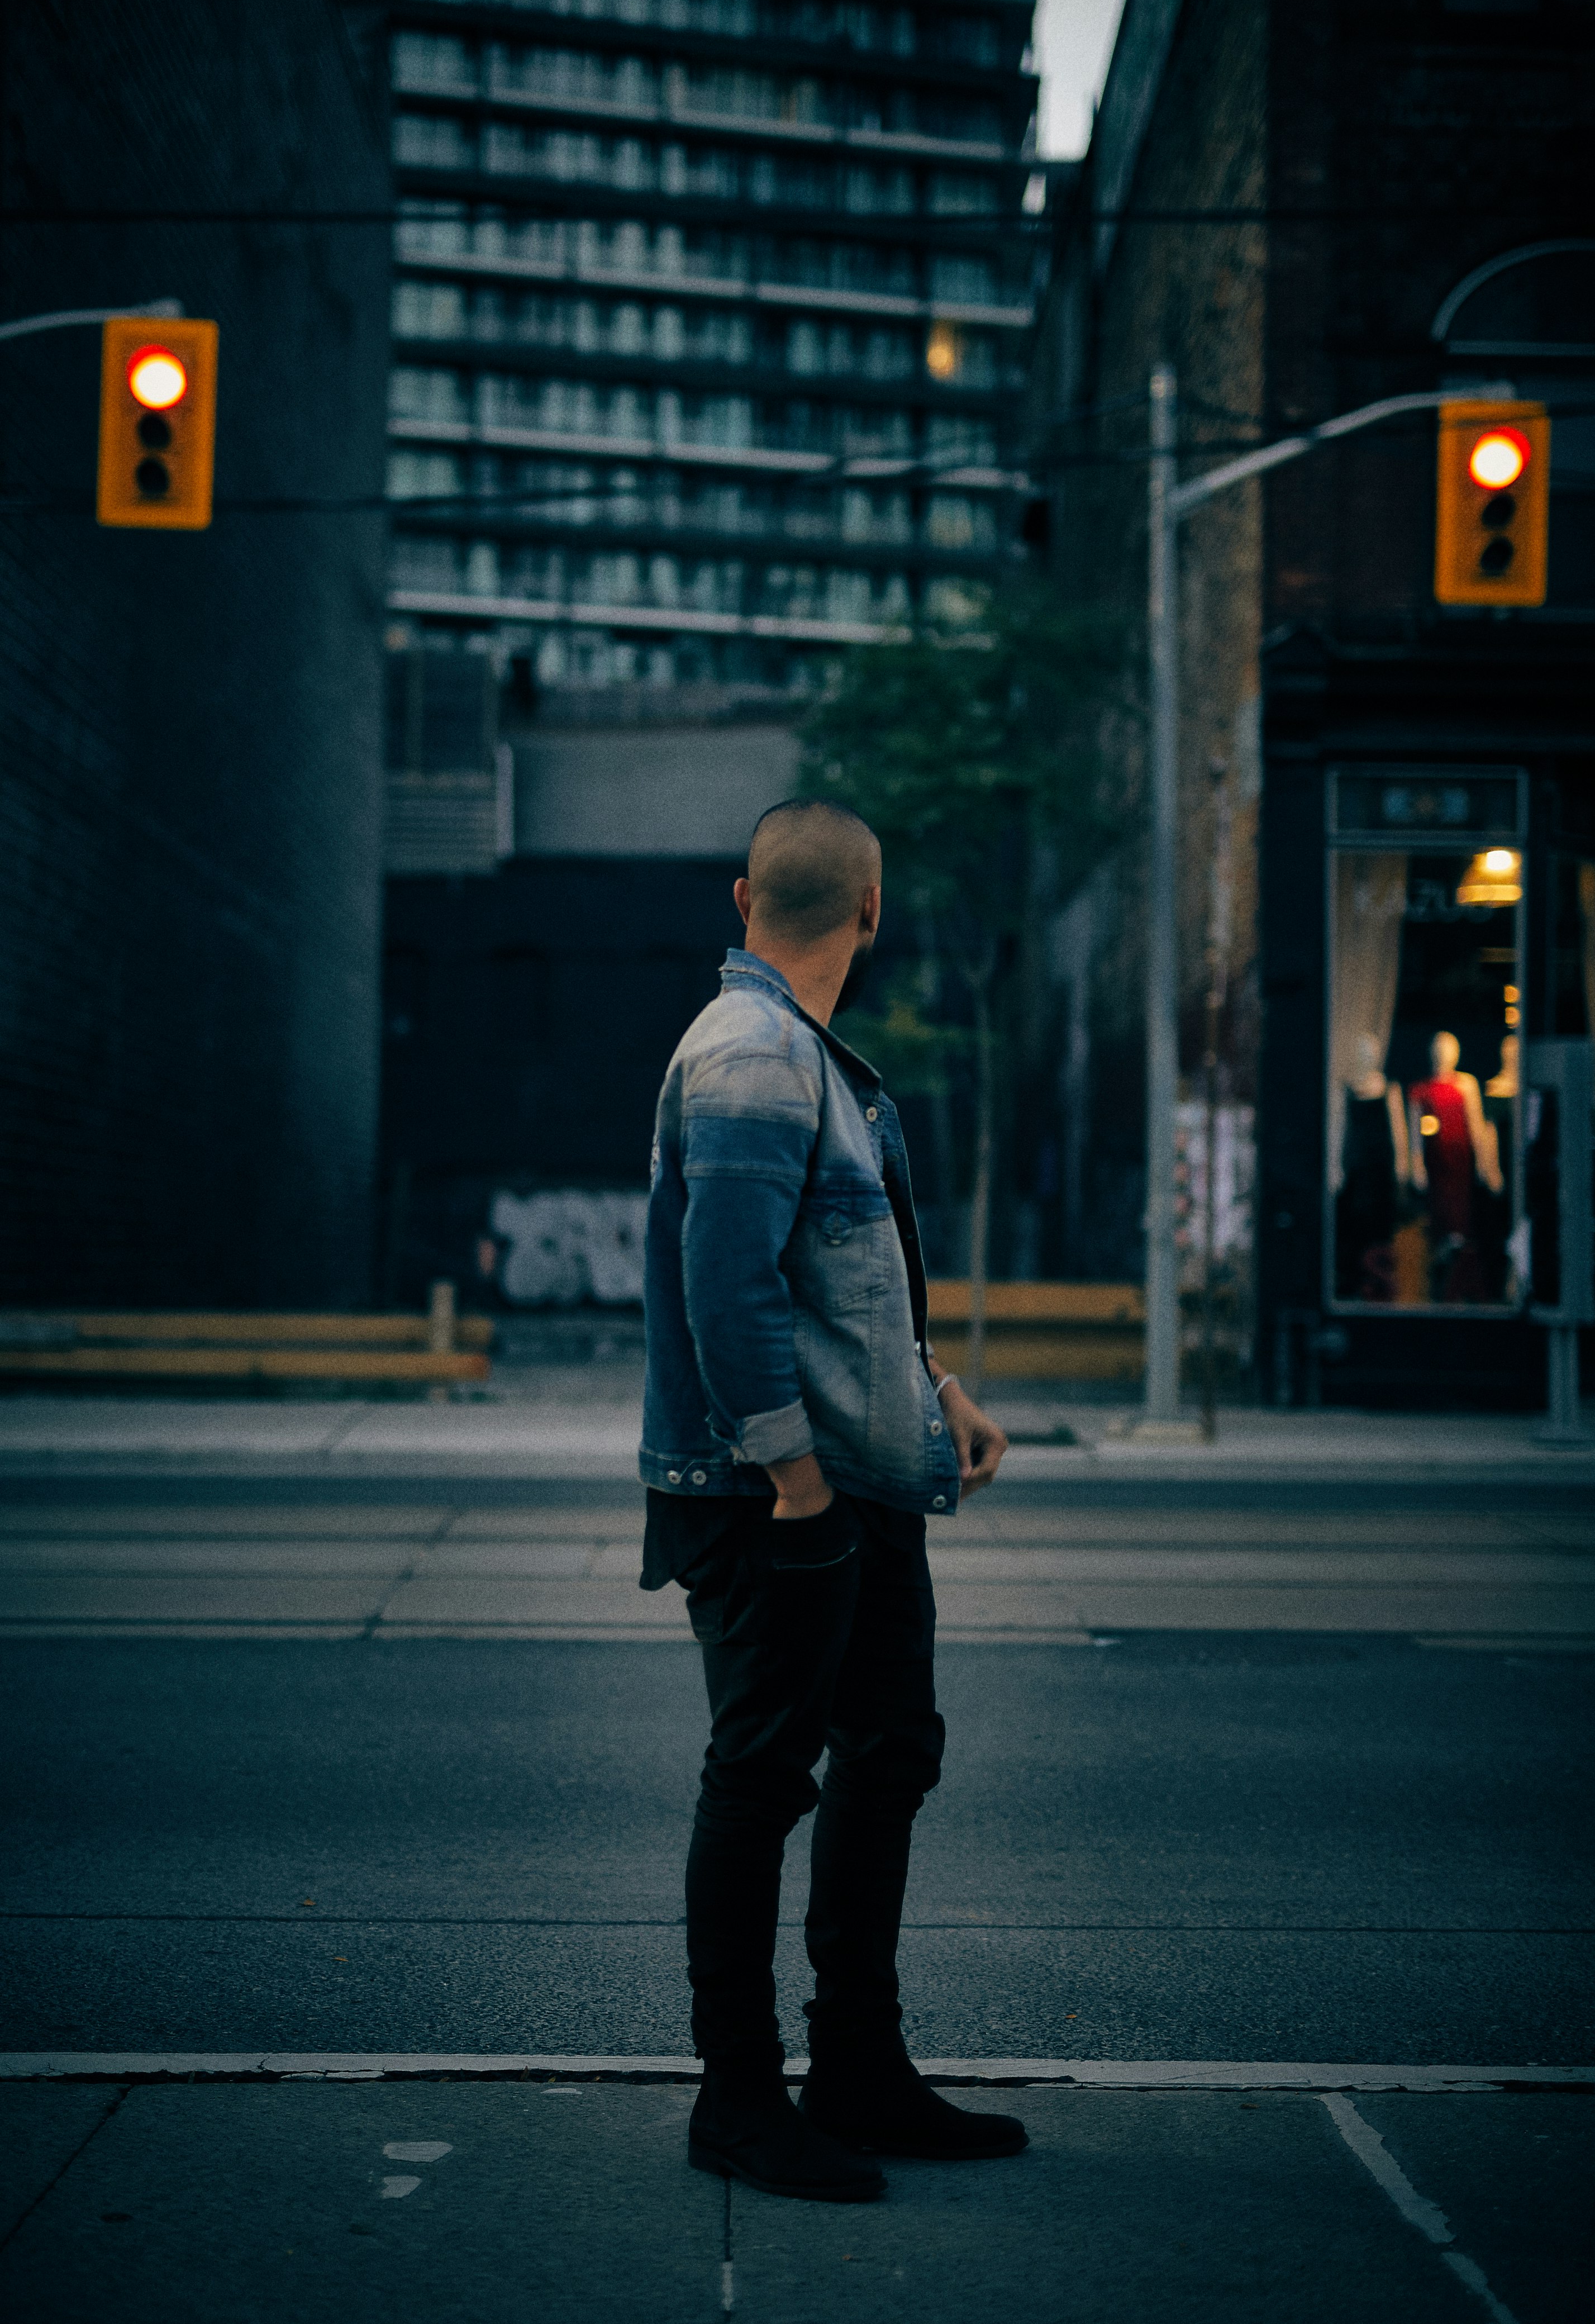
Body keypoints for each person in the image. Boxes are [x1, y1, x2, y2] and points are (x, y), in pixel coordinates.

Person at [639, 799, 1021, 2204]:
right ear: (873, 912)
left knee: (889, 1752)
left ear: (745, 897)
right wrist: (797, 1480)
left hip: (849, 1483)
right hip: (772, 1496)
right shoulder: (750, 1053)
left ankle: (858, 2066)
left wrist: (937, 1394)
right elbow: (723, 1287)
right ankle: (739, 2101)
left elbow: (830, 1277)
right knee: (762, 1779)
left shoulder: (802, 1059)